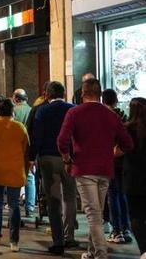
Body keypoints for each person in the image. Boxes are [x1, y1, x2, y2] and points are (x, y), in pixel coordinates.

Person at [57, 77, 133, 259]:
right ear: (99, 95)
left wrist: (67, 159)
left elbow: (62, 140)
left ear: (82, 94)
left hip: (83, 168)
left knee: (93, 214)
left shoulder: (74, 113)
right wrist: (113, 153)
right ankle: (92, 251)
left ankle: (100, 254)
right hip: (105, 169)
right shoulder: (111, 115)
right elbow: (128, 143)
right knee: (96, 212)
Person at [29, 81, 77, 255]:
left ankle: (58, 242)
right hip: (69, 159)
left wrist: (31, 157)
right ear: (63, 94)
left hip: (48, 158)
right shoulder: (73, 109)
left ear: (47, 94)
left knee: (53, 200)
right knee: (70, 197)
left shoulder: (42, 110)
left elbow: (37, 136)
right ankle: (69, 236)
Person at [0, 98, 28, 252]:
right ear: (12, 111)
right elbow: (26, 151)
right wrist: (25, 171)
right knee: (14, 205)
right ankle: (14, 242)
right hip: (15, 170)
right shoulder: (20, 127)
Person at [102, 89, 132, 244]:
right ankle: (126, 228)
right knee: (122, 194)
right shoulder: (123, 116)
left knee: (113, 195)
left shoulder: (104, 117)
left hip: (111, 160)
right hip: (122, 162)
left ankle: (117, 230)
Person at [124, 97, 146, 254]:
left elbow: (120, 150)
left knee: (136, 216)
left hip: (132, 178)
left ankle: (144, 250)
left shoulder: (127, 129)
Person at [12, 88, 35, 216]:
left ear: (15, 98)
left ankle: (14, 205)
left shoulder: (14, 111)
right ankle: (30, 207)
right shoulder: (32, 110)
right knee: (30, 177)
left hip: (16, 147)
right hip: (29, 148)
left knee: (15, 176)